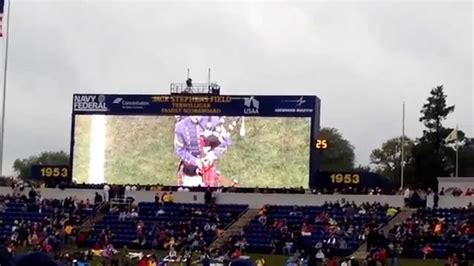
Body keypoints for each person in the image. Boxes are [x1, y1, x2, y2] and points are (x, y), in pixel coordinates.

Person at [174, 116, 231, 187]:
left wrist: (212, 154)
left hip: (209, 166)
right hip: (189, 167)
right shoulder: (180, 126)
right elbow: (180, 150)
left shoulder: (214, 120)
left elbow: (226, 141)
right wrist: (195, 161)